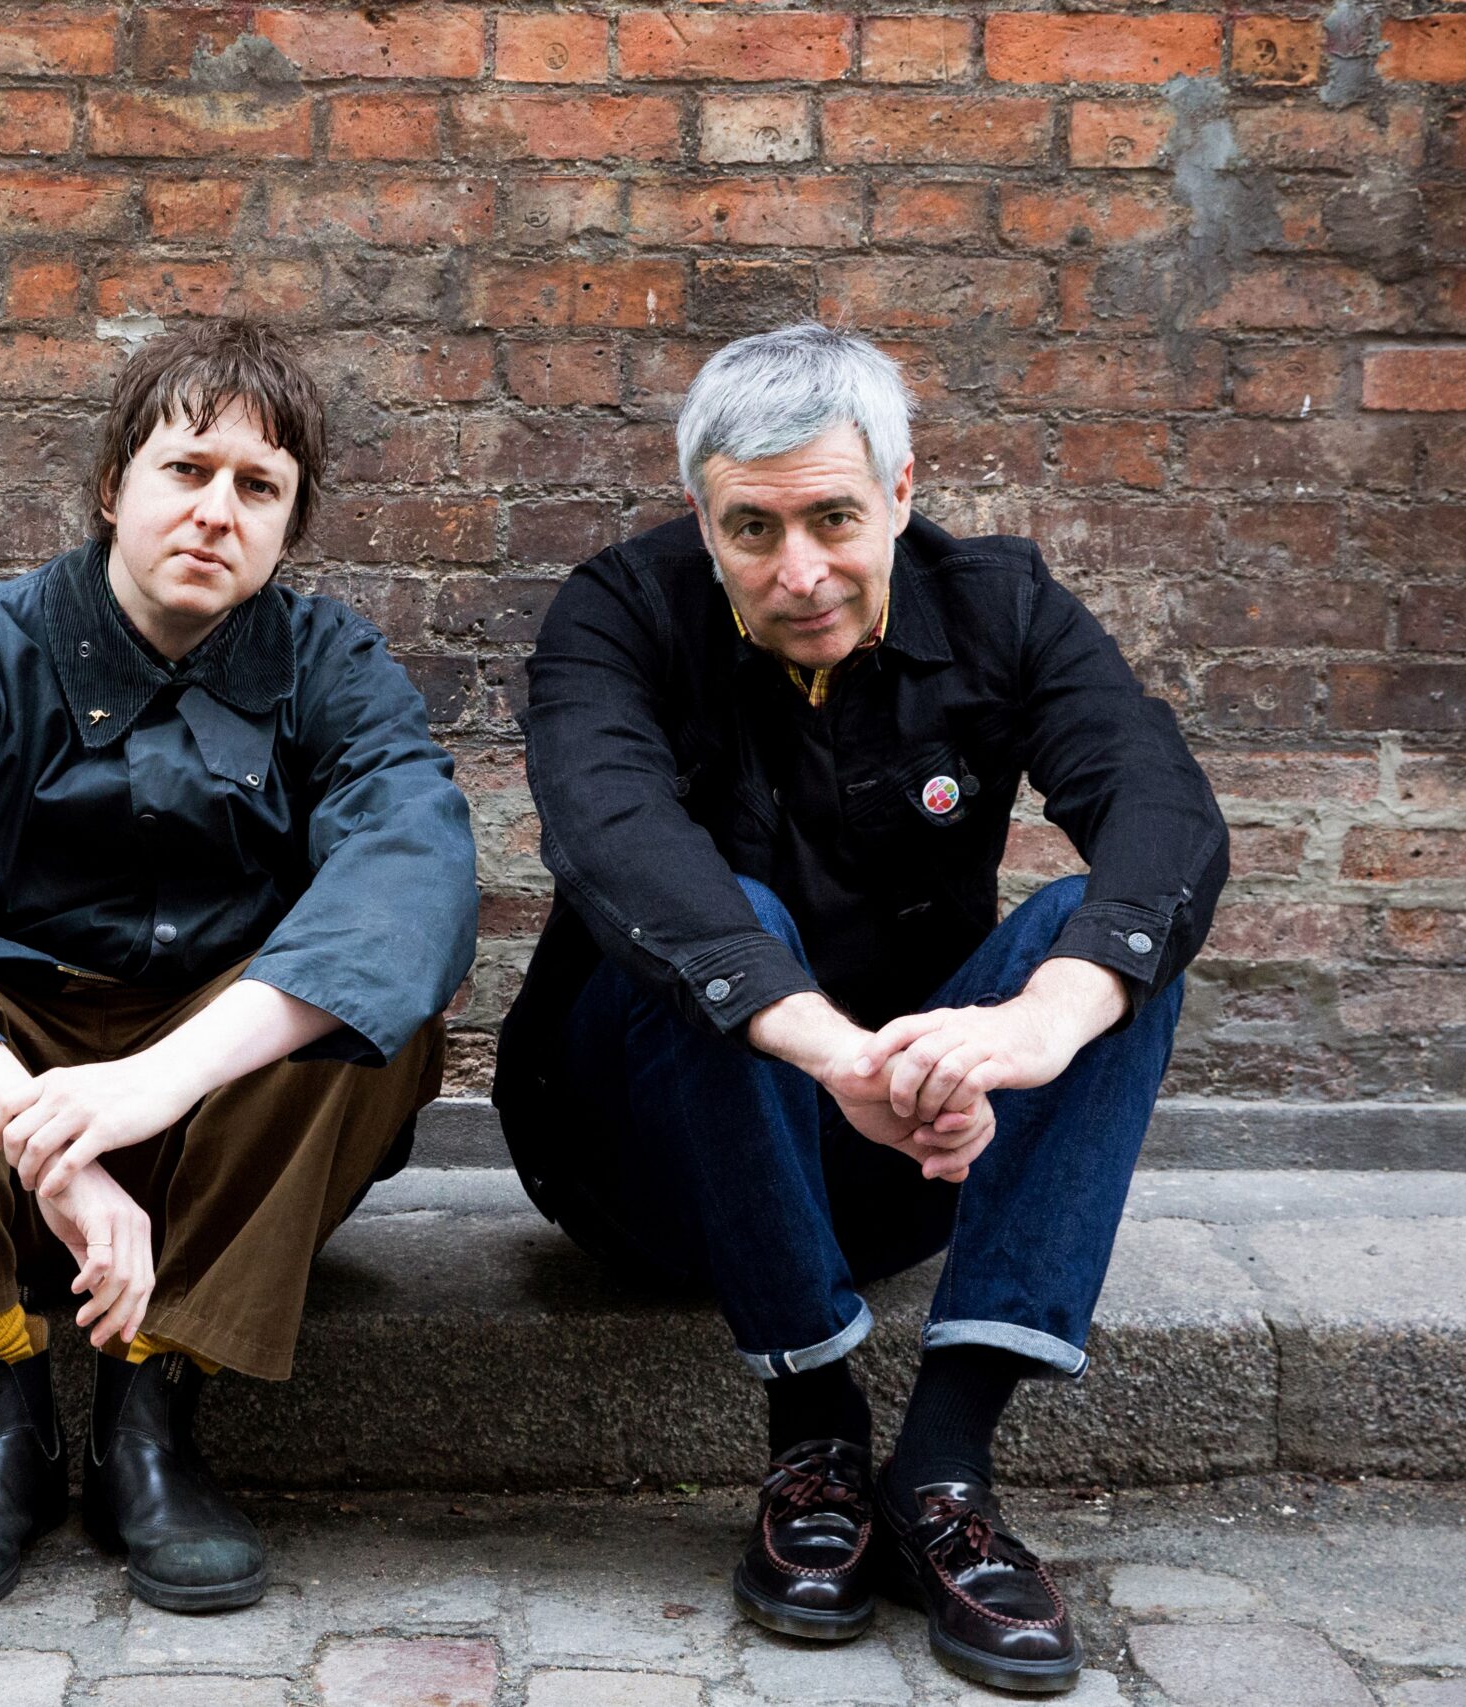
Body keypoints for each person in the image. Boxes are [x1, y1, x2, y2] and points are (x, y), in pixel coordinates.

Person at [493, 323, 1228, 1693]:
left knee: (1107, 932)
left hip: (904, 1163)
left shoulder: (1003, 607)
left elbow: (1160, 808)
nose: (800, 571)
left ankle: (942, 1470)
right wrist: (830, 1051)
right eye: (752, 528)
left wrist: (1040, 1023)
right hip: (645, 1166)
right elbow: (610, 835)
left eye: (833, 517)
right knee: (726, 920)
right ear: (701, 517)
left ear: (899, 491)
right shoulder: (617, 615)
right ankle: (815, 1440)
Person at [0, 320, 478, 1618]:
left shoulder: (332, 667)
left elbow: (412, 876)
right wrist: (50, 1141)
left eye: (258, 488)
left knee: (379, 1006)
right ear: (112, 487)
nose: (216, 511)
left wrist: (154, 1084)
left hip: (214, 1146)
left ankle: (156, 1409)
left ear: (289, 524)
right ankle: (0, 1406)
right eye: (186, 470)